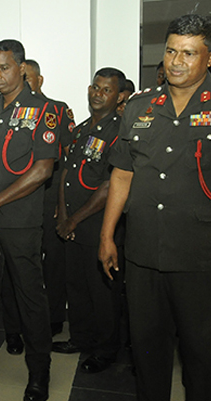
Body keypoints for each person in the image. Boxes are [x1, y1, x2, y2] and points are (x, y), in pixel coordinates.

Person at [100, 14, 211, 401]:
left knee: (204, 355)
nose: (176, 61)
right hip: (144, 253)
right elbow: (122, 174)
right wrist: (107, 235)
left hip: (204, 257)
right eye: (171, 50)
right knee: (147, 350)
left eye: (189, 53)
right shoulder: (140, 106)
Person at [0, 40, 58, 401]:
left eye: (4, 68)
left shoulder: (44, 110)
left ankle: (39, 371)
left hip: (19, 220)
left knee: (29, 295)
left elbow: (43, 170)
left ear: (21, 68)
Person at [53, 68, 127, 374]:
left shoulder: (119, 131)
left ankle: (106, 349)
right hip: (73, 224)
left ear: (119, 97)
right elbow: (66, 173)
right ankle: (80, 338)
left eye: (107, 90)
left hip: (99, 225)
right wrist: (63, 214)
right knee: (77, 286)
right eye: (95, 87)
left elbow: (110, 186)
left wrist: (74, 219)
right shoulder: (82, 129)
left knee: (102, 292)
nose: (98, 94)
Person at [24, 58, 76, 339]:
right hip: (21, 197)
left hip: (50, 195)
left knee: (54, 262)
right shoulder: (12, 112)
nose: (24, 84)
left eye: (28, 79)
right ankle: (27, 319)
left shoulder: (56, 109)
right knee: (25, 261)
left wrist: (62, 200)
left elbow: (70, 157)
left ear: (39, 80)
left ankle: (55, 317)